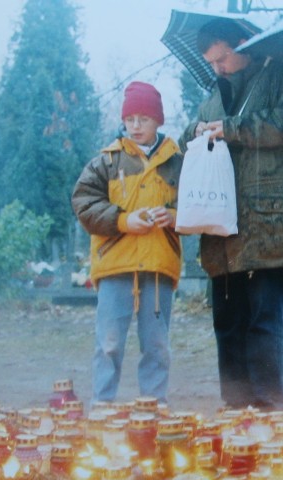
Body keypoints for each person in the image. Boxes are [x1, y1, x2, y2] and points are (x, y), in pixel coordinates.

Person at [180, 19, 283, 411]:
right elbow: (187, 137)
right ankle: (235, 407)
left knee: (263, 321)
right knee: (227, 322)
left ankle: (269, 409)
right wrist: (196, 130)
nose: (217, 69)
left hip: (266, 224)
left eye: (222, 58)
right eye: (211, 63)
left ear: (244, 44)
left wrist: (232, 128)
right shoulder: (215, 93)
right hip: (221, 227)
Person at [71, 81, 183, 405]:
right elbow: (83, 203)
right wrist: (123, 221)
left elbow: (197, 207)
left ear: (158, 121)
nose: (135, 126)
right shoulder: (106, 162)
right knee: (108, 344)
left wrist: (175, 217)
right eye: (130, 118)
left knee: (157, 346)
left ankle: (154, 413)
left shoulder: (177, 162)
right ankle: (102, 411)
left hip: (159, 266)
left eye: (143, 119)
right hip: (115, 267)